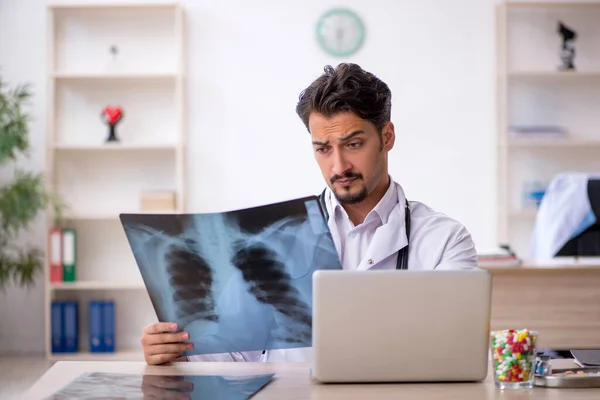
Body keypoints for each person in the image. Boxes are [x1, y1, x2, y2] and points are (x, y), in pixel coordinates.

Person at [140, 63, 478, 366]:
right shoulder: (275, 238)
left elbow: (457, 354)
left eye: (354, 144)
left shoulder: (444, 241)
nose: (338, 165)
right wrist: (175, 349)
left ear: (386, 137)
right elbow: (232, 353)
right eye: (323, 149)